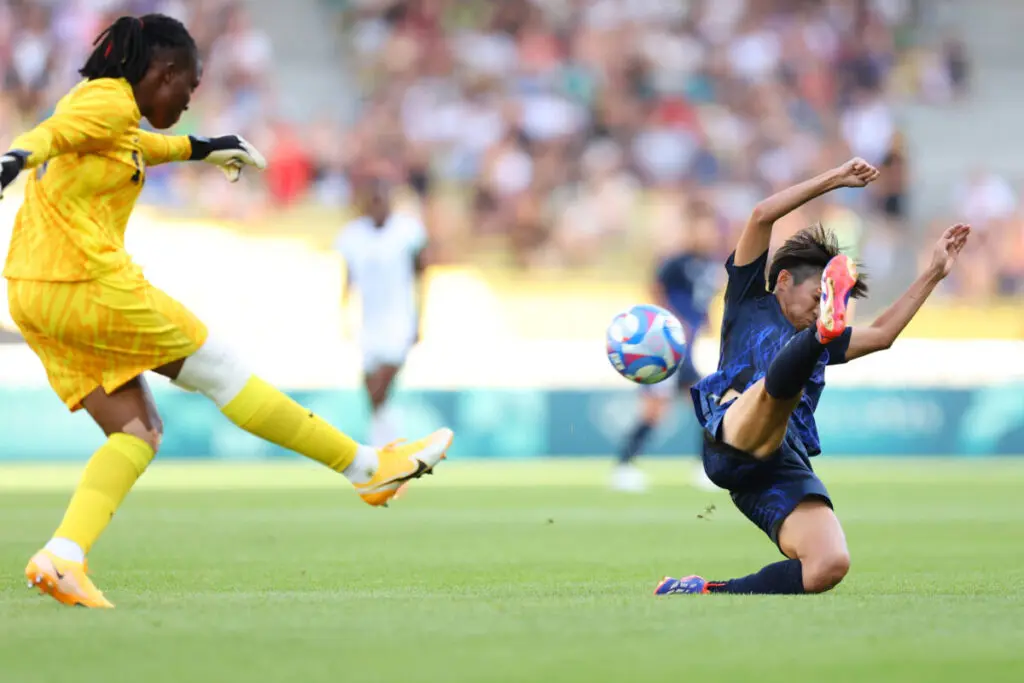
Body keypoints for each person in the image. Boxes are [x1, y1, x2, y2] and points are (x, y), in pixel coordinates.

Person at [0, 14, 453, 610]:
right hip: (84, 279)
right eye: (187, 89)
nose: (189, 101)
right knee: (220, 368)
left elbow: (138, 146)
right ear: (162, 73)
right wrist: (11, 161)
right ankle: (367, 467)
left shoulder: (113, 117)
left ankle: (64, 555)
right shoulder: (106, 101)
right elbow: (52, 134)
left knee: (137, 432)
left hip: (34, 291)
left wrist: (207, 148)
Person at [654, 158, 970, 595]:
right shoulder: (749, 297)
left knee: (827, 565)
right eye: (817, 295)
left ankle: (706, 590)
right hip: (733, 432)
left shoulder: (823, 339)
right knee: (773, 393)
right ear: (784, 280)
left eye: (828, 298)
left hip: (778, 465)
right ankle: (810, 347)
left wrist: (934, 272)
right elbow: (762, 214)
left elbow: (881, 335)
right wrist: (835, 179)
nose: (817, 304)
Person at [613, 206, 721, 493]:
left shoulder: (711, 266)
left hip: (689, 350)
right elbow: (656, 290)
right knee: (654, 411)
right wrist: (673, 320)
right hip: (666, 348)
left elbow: (703, 300)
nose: (706, 235)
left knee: (706, 406)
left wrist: (706, 321)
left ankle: (703, 467)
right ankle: (624, 466)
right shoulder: (676, 262)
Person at [334, 170, 427, 447]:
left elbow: (422, 275)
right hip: (368, 322)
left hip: (399, 319)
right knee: (372, 391)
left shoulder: (407, 231)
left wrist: (421, 318)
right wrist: (343, 313)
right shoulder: (352, 235)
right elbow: (347, 279)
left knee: (383, 383)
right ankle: (386, 443)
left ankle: (386, 442)